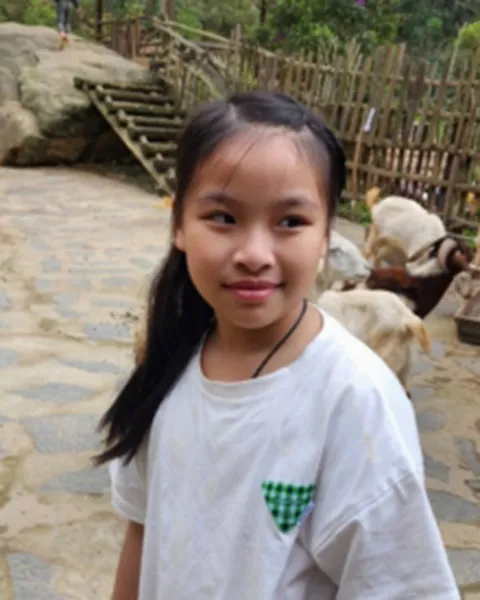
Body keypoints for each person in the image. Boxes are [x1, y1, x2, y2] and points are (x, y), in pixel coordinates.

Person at [96, 90, 460, 600]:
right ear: (178, 224)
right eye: (223, 217)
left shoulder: (355, 400)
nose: (254, 254)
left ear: (326, 235)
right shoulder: (164, 370)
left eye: (290, 222)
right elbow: (142, 531)